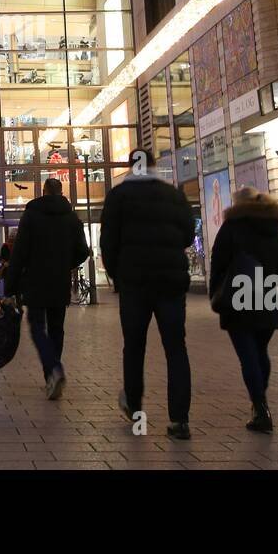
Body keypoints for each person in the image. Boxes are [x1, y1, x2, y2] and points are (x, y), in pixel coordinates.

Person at [100, 149, 196, 440]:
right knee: (176, 348)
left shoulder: (118, 196)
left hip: (134, 284)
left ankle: (135, 405)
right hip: (170, 283)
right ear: (155, 166)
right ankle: (179, 420)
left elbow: (108, 242)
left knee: (134, 346)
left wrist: (118, 275)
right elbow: (189, 235)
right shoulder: (174, 195)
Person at [208, 187, 278, 433]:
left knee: (248, 355)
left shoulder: (231, 228)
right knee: (260, 351)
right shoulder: (274, 229)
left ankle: (260, 406)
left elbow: (218, 263)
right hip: (267, 298)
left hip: (237, 298)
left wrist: (215, 294)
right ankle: (259, 402)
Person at [3, 178, 91, 399]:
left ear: (43, 192)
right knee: (56, 329)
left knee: (36, 327)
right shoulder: (71, 217)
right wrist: (65, 264)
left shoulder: (31, 215)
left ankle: (52, 370)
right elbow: (83, 250)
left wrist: (10, 286)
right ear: (61, 191)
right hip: (59, 281)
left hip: (35, 281)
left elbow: (19, 253)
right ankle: (52, 373)